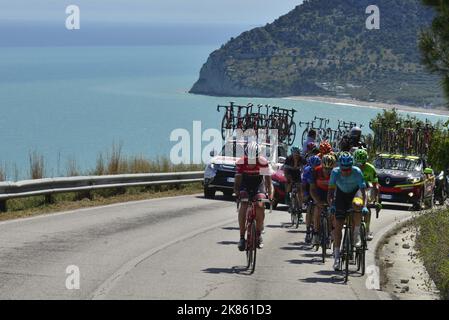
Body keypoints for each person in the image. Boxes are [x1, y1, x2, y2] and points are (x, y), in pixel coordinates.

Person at [327, 152, 368, 271]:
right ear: (340, 166)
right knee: (338, 227)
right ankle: (336, 258)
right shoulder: (335, 172)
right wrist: (331, 205)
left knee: (357, 204)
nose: (346, 171)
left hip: (355, 193)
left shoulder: (357, 172)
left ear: (352, 166)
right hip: (341, 195)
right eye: (343, 169)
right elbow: (330, 193)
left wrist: (364, 206)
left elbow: (363, 192)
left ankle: (356, 234)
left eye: (348, 168)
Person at [234, 141, 274, 251]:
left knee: (260, 205)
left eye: (254, 158)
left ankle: (259, 233)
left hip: (258, 184)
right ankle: (242, 237)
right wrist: (237, 193)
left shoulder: (263, 162)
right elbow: (237, 183)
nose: (252, 161)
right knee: (244, 204)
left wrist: (270, 196)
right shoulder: (241, 162)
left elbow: (268, 183)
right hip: (245, 184)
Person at [310, 154, 337, 247]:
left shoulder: (336, 173)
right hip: (319, 192)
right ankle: (316, 233)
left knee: (332, 213)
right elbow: (312, 189)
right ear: (322, 166)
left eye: (330, 169)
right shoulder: (316, 171)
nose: (328, 171)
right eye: (325, 168)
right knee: (317, 210)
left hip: (332, 192)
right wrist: (317, 200)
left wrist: (333, 202)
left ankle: (330, 233)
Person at [354, 149, 380, 241]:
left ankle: (367, 230)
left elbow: (375, 186)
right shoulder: (352, 167)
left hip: (367, 188)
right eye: (358, 164)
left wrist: (376, 200)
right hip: (355, 187)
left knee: (367, 208)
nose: (360, 166)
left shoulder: (371, 168)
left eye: (362, 164)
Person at [302, 155, 322, 244]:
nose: (314, 168)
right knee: (309, 208)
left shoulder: (320, 171)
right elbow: (303, 185)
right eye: (312, 166)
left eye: (316, 166)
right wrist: (305, 195)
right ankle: (307, 231)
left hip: (318, 189)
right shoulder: (306, 170)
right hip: (308, 187)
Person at [283, 146, 305, 218]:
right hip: (289, 172)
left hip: (297, 173)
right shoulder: (289, 158)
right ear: (292, 153)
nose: (296, 155)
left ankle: (300, 207)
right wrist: (288, 179)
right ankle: (288, 198)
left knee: (300, 188)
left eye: (297, 153)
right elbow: (285, 170)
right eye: (294, 154)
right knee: (289, 183)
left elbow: (305, 169)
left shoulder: (302, 159)